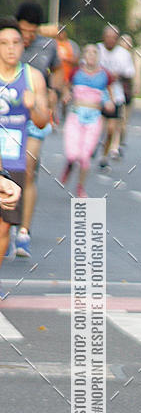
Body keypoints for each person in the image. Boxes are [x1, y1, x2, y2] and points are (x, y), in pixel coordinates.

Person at [0, 18, 49, 276]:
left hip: (13, 160)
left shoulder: (33, 77)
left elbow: (42, 122)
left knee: (4, 228)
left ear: (23, 46)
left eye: (16, 43)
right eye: (4, 43)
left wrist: (34, 106)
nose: (10, 48)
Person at [15, 2, 60, 258]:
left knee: (28, 171)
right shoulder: (7, 41)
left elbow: (59, 72)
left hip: (33, 116)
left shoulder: (47, 46)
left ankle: (23, 231)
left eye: (32, 31)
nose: (26, 36)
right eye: (23, 30)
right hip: (7, 117)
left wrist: (54, 93)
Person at [61, 44, 114, 197]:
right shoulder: (76, 72)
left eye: (94, 53)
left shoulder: (105, 75)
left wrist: (109, 102)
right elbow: (66, 87)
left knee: (85, 157)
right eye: (88, 52)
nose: (91, 55)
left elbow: (109, 93)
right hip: (76, 116)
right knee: (72, 155)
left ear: (98, 56)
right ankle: (69, 165)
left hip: (94, 118)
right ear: (83, 55)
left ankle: (80, 187)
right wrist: (66, 95)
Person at [97, 25, 134, 170]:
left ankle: (104, 155)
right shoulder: (97, 50)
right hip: (97, 94)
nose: (110, 41)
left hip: (116, 96)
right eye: (108, 37)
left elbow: (129, 74)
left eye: (113, 38)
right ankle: (93, 145)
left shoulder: (123, 54)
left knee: (111, 129)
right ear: (103, 37)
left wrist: (118, 76)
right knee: (97, 126)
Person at [55, 26, 81, 121]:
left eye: (61, 32)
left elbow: (77, 60)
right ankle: (55, 117)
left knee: (66, 98)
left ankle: (65, 114)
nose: (60, 35)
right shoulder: (54, 44)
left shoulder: (71, 45)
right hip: (57, 76)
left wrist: (67, 59)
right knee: (55, 97)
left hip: (69, 77)